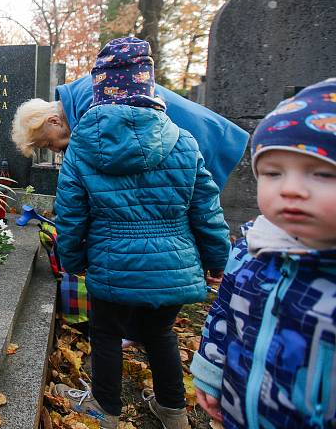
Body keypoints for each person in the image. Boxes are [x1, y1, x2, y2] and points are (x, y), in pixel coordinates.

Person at [51, 37, 231, 429]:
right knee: (161, 333)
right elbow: (207, 208)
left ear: (100, 88)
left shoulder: (83, 143)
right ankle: (173, 411)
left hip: (112, 262)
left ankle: (105, 408)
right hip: (175, 264)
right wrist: (218, 260)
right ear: (149, 87)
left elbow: (70, 213)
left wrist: (73, 260)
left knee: (105, 332)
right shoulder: (183, 140)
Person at [190, 79, 336, 428]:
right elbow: (223, 313)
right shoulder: (252, 247)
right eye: (273, 173)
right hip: (241, 409)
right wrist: (211, 371)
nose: (291, 189)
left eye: (322, 174)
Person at [11, 71, 250, 191]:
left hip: (203, 141)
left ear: (53, 121)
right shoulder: (81, 97)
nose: (54, 149)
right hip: (197, 138)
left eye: (47, 144)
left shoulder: (89, 110)